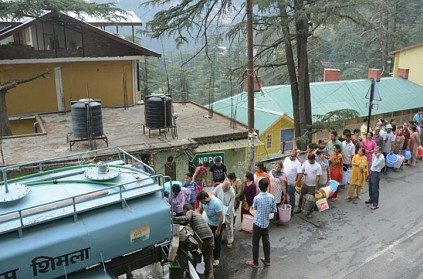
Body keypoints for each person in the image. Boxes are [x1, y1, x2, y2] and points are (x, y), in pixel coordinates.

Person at [174, 204, 214, 279]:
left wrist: (175, 218)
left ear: (185, 209)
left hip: (203, 237)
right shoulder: (197, 214)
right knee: (208, 257)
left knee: (196, 253)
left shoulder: (190, 212)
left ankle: (192, 270)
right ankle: (209, 275)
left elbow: (187, 218)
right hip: (210, 236)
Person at [245, 178, 276, 269]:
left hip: (257, 223)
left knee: (255, 243)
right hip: (266, 223)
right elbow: (274, 209)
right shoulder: (271, 197)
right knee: (266, 241)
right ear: (267, 187)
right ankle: (267, 260)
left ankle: (255, 262)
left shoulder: (256, 198)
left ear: (259, 187)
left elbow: (255, 208)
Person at [197, 191, 225, 267]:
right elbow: (200, 211)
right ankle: (207, 255)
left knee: (217, 241)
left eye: (202, 201)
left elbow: (221, 217)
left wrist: (218, 230)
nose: (202, 203)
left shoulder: (216, 203)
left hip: (218, 223)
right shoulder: (202, 202)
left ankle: (216, 258)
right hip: (209, 222)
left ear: (206, 198)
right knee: (207, 239)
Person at [295, 153, 322, 218]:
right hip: (305, 183)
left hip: (312, 185)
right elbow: (302, 170)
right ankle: (299, 208)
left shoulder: (318, 166)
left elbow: (318, 177)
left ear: (314, 159)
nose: (309, 161)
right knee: (301, 196)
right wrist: (304, 173)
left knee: (311, 199)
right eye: (309, 160)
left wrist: (316, 187)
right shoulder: (306, 162)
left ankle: (309, 212)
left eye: (311, 160)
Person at [213, 180, 235, 248]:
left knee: (229, 226)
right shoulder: (219, 187)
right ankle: (221, 238)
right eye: (222, 188)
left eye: (225, 189)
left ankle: (230, 240)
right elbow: (213, 194)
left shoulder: (232, 192)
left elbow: (231, 204)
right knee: (220, 224)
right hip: (219, 208)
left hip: (228, 210)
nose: (223, 190)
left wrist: (226, 213)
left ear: (229, 187)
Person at [283, 150, 303, 217]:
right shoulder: (286, 159)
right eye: (291, 156)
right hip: (284, 182)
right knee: (284, 196)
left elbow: (300, 174)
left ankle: (291, 213)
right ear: (289, 154)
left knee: (291, 198)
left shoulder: (297, 163)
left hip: (291, 183)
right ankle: (285, 210)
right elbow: (283, 168)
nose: (292, 158)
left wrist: (296, 183)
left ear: (296, 156)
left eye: (293, 156)